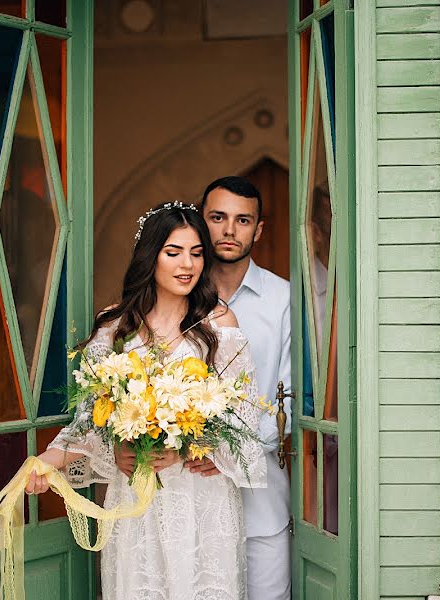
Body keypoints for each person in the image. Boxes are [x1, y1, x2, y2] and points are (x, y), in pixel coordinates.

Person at [25, 202, 267, 600]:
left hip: (200, 501)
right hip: (137, 500)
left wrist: (191, 448)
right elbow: (91, 419)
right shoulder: (115, 327)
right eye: (173, 252)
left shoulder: (219, 326)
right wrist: (49, 460)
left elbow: (243, 420)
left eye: (196, 252)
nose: (187, 264)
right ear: (150, 256)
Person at [197, 176, 292, 600]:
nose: (229, 230)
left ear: (259, 229)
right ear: (200, 222)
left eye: (242, 220)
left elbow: (287, 401)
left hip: (261, 502)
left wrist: (228, 453)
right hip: (188, 492)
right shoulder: (175, 296)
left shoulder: (284, 299)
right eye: (218, 218)